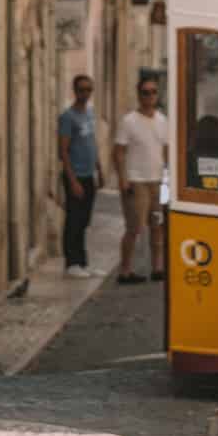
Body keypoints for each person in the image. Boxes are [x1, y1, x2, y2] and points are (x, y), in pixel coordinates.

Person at [113, 76, 171, 284]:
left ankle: (157, 268)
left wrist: (168, 179)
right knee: (134, 228)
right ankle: (125, 270)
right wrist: (122, 179)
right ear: (139, 95)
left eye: (153, 92)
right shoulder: (129, 121)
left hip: (157, 182)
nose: (150, 96)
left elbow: (166, 150)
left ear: (158, 95)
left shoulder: (163, 120)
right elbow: (118, 152)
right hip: (136, 181)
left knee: (158, 225)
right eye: (145, 92)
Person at [57, 75, 101, 277]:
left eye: (88, 90)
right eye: (82, 90)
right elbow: (63, 151)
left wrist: (99, 168)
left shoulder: (90, 114)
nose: (85, 94)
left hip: (89, 174)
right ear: (75, 91)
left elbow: (92, 142)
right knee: (74, 218)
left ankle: (82, 261)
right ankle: (71, 262)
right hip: (75, 175)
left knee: (84, 219)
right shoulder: (68, 117)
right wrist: (72, 180)